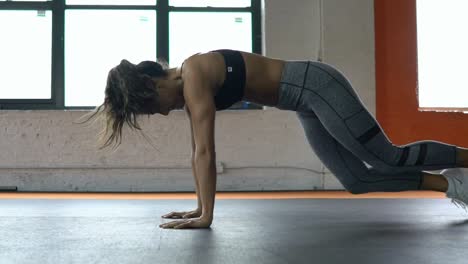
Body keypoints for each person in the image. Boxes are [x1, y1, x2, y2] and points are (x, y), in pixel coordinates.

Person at [86, 49, 468, 229]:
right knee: (356, 180)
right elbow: (195, 152)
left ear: (154, 84)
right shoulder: (189, 90)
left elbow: (206, 150)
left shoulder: (196, 74)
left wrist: (207, 216)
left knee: (387, 156)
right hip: (304, 102)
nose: (164, 113)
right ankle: (454, 184)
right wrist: (197, 207)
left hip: (317, 86)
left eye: (155, 107)